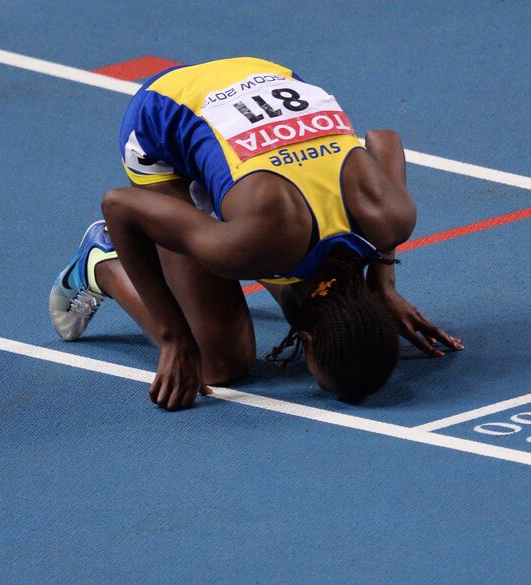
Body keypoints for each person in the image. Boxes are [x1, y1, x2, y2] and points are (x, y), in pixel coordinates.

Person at [49, 56, 462, 410]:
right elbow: (119, 205)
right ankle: (102, 262)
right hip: (167, 111)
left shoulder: (392, 218)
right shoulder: (249, 245)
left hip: (265, 74)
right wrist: (173, 339)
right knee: (219, 363)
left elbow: (383, 140)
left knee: (297, 277)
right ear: (306, 340)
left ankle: (226, 196)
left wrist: (383, 286)